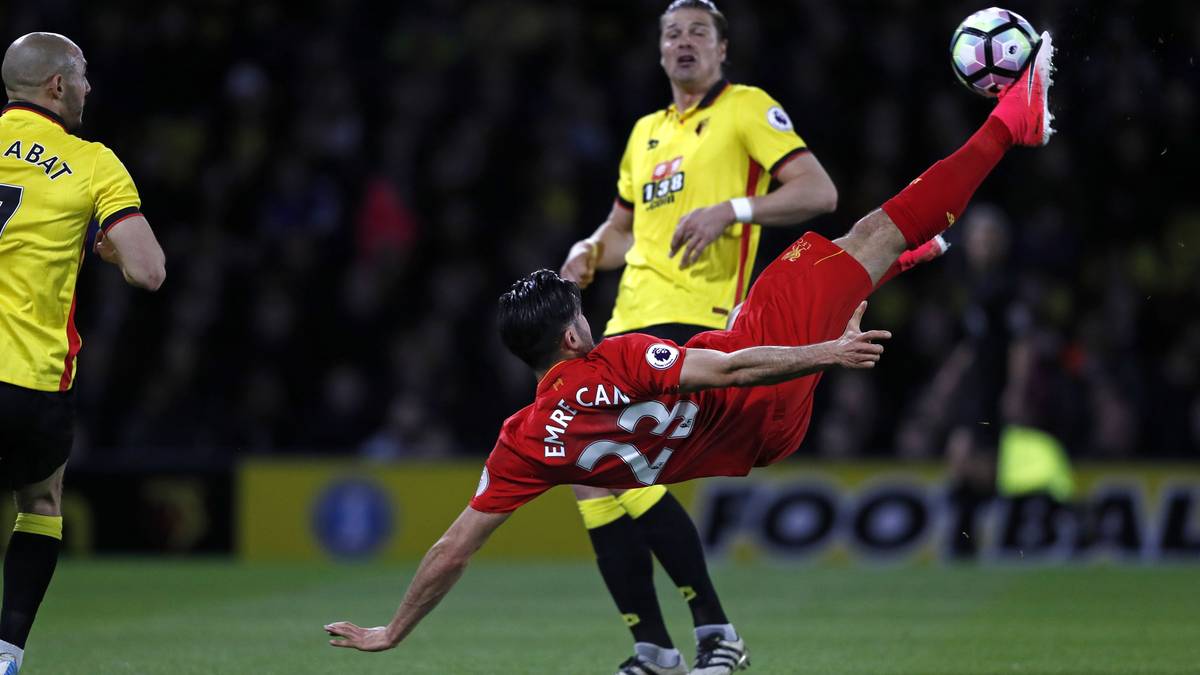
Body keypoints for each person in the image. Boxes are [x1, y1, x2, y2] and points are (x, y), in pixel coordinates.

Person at [325, 27, 1055, 672]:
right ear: (576, 334)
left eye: (695, 30)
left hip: (752, 427)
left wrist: (393, 630)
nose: (682, 41)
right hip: (751, 376)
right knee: (874, 232)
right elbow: (732, 366)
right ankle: (1009, 126)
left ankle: (668, 645)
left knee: (846, 255)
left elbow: (455, 546)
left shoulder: (524, 441)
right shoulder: (622, 355)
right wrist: (828, 352)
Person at [557, 0, 840, 670]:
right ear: (659, 53)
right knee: (592, 472)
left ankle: (712, 632)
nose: (684, 43)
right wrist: (590, 247)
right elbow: (625, 232)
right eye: (672, 34)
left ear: (722, 50)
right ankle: (662, 646)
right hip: (625, 323)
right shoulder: (644, 132)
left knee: (616, 463)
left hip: (700, 322)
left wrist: (733, 210)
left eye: (698, 33)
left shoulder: (745, 108)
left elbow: (819, 192)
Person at [0, 32, 165, 675]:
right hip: (32, 382)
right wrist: (108, 248)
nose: (91, 89)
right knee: (39, 505)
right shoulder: (92, 161)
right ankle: (7, 653)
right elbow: (148, 271)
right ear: (58, 86)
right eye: (84, 78)